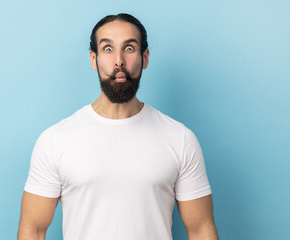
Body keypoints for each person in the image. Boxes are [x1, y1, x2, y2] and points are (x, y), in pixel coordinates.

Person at [17, 13, 218, 240]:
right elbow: (33, 229)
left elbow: (201, 229)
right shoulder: (55, 140)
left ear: (145, 57)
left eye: (129, 48)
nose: (119, 61)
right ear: (94, 59)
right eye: (108, 49)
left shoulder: (180, 138)